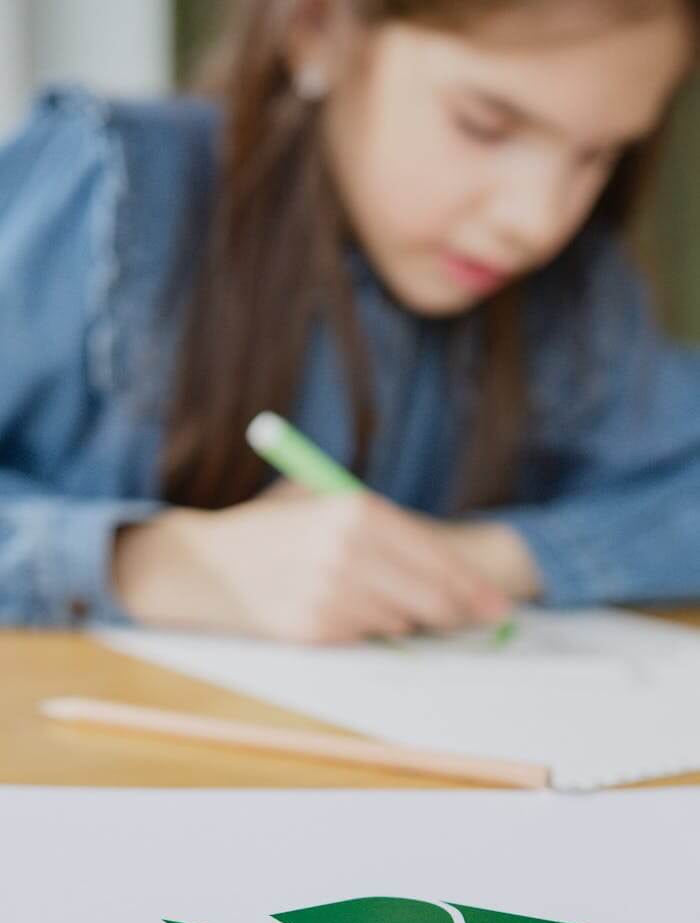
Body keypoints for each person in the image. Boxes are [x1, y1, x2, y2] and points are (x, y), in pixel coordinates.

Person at [0, 0, 698, 642]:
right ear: (317, 28)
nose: (537, 220)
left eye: (598, 154)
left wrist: (477, 560)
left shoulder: (575, 295)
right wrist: (154, 563)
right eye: (486, 126)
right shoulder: (109, 196)